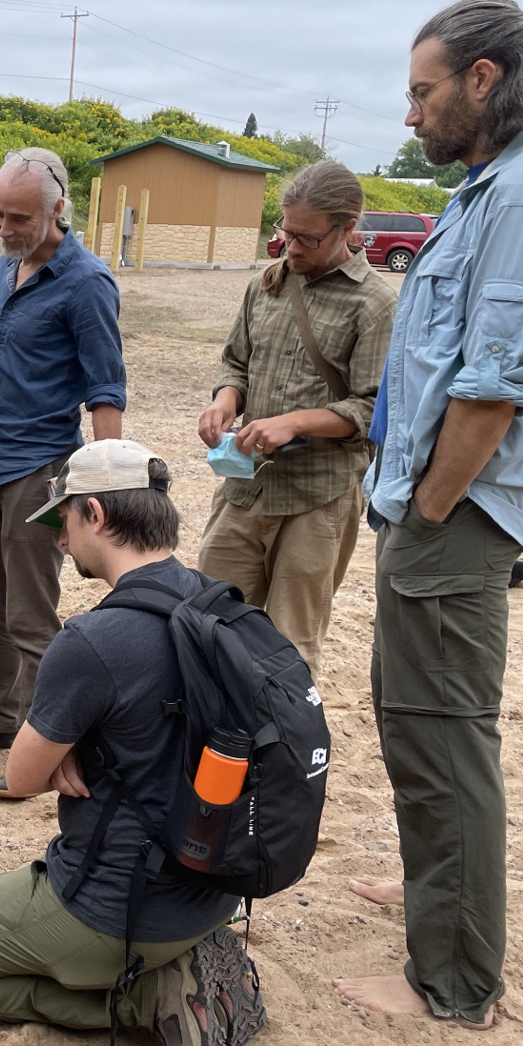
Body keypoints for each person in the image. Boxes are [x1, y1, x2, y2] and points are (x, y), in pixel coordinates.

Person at [336, 0, 523, 1029]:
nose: (412, 115)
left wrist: (436, 506)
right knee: (413, 722)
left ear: (483, 81)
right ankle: (432, 898)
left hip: (457, 517)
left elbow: (496, 384)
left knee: (445, 739)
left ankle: (451, 980)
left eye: (423, 90)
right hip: (423, 512)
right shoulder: (491, 189)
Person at [0, 441, 264, 1046]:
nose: (61, 539)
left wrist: (63, 741)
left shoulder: (92, 640)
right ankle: (187, 959)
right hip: (210, 884)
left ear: (95, 515)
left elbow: (17, 779)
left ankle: (149, 999)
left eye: (63, 521)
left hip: (117, 904)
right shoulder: (221, 606)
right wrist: (81, 738)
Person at [0, 148, 126, 757]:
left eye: (19, 218)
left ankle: (43, 745)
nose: (6, 229)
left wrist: (107, 481)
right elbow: (15, 349)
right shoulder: (7, 266)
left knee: (32, 617)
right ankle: (0, 718)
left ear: (57, 209)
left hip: (39, 470)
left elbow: (105, 386)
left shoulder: (87, 283)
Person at [195, 162, 395, 671]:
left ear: (348, 229)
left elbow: (374, 408)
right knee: (207, 627)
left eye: (306, 237)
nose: (291, 247)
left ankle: (277, 749)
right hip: (244, 488)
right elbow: (236, 361)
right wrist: (225, 401)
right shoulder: (266, 286)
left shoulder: (375, 305)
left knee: (288, 649)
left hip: (318, 498)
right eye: (285, 232)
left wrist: (296, 422)